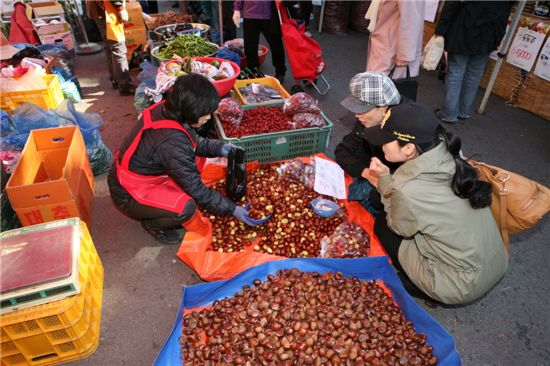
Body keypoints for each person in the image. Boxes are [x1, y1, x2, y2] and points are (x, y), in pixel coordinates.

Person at [364, 102, 509, 305]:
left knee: (383, 224)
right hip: (496, 263)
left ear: (408, 149)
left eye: (386, 140)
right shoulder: (452, 153)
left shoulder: (409, 189)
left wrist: (385, 181)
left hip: (460, 285)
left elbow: (400, 227)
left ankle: (423, 286)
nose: (381, 145)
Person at [108, 74, 259, 244]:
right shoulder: (171, 142)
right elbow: (196, 190)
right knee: (185, 208)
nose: (209, 117)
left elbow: (193, 141)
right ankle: (153, 225)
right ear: (192, 112)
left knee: (195, 164)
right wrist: (231, 209)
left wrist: (220, 148)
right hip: (127, 193)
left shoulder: (170, 110)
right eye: (206, 114)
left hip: (139, 173)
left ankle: (155, 208)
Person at [434, 1, 513, 123]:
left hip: (464, 27)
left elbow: (451, 4)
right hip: (489, 32)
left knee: (456, 72)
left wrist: (441, 30)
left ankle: (449, 113)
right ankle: (463, 111)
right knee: (474, 74)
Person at [335, 72, 402, 181]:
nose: (356, 114)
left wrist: (386, 181)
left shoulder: (406, 131)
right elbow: (343, 150)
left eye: (362, 110)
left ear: (383, 108)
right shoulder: (366, 121)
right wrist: (366, 172)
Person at [364, 0, 425, 79]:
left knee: (381, 84)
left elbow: (411, 20)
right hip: (385, 42)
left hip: (391, 48)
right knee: (375, 83)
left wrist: (404, 56)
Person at [87, 0, 134, 96]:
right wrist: (120, 8)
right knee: (117, 47)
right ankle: (125, 86)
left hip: (99, 8)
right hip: (107, 9)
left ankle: (115, 80)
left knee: (110, 46)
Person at [233, 0, 287, 83]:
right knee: (250, 46)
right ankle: (253, 71)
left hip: (271, 15)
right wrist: (237, 9)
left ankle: (280, 71)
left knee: (276, 44)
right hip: (250, 14)